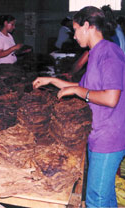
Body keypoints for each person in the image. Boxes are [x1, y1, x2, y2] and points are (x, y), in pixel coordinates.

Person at [32, 6, 125, 207]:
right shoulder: (95, 53)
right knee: (105, 195)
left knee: (95, 199)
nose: (74, 36)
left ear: (87, 26)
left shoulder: (110, 53)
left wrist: (76, 92)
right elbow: (83, 86)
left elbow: (111, 98)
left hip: (110, 137)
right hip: (98, 132)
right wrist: (51, 80)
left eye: (75, 30)